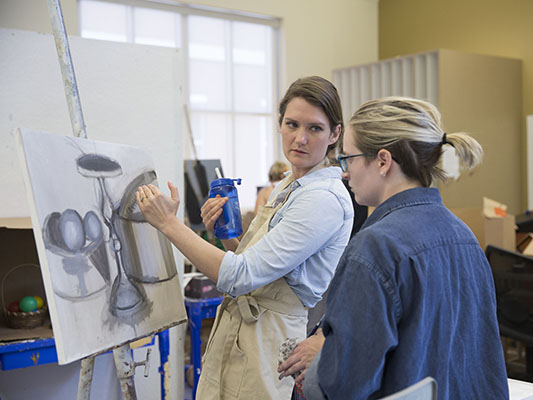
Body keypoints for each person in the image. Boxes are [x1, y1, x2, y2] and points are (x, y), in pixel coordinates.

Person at [136, 76, 354, 400]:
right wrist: (225, 238)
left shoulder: (322, 198)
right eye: (292, 124)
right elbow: (255, 271)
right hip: (244, 330)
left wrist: (169, 224)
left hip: (270, 340)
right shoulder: (288, 184)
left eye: (315, 129)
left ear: (335, 133)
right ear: (279, 123)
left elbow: (240, 276)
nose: (300, 139)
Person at [280, 97, 509, 399]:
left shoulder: (373, 250)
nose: (344, 173)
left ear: (383, 161)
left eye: (347, 159)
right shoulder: (463, 237)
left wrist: (323, 359)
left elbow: (344, 384)